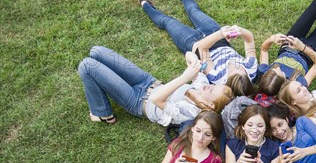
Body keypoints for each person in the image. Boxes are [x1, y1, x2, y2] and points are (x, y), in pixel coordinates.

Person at [132, 0, 257, 97]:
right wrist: (240, 31)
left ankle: (145, 4)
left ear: (227, 82)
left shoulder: (217, 77)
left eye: (232, 71)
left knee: (168, 22)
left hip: (195, 44)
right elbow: (250, 39)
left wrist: (220, 34)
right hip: (216, 35)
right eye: (240, 69)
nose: (235, 66)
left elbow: (202, 47)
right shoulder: (250, 69)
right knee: (193, 10)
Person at [78, 46, 233, 125]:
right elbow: (188, 55)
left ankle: (103, 113)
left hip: (138, 101)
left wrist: (185, 77)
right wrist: (194, 60)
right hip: (148, 81)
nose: (209, 86)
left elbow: (156, 99)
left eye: (212, 90)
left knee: (87, 66)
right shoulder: (202, 87)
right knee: (96, 51)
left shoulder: (190, 113)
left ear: (211, 104)